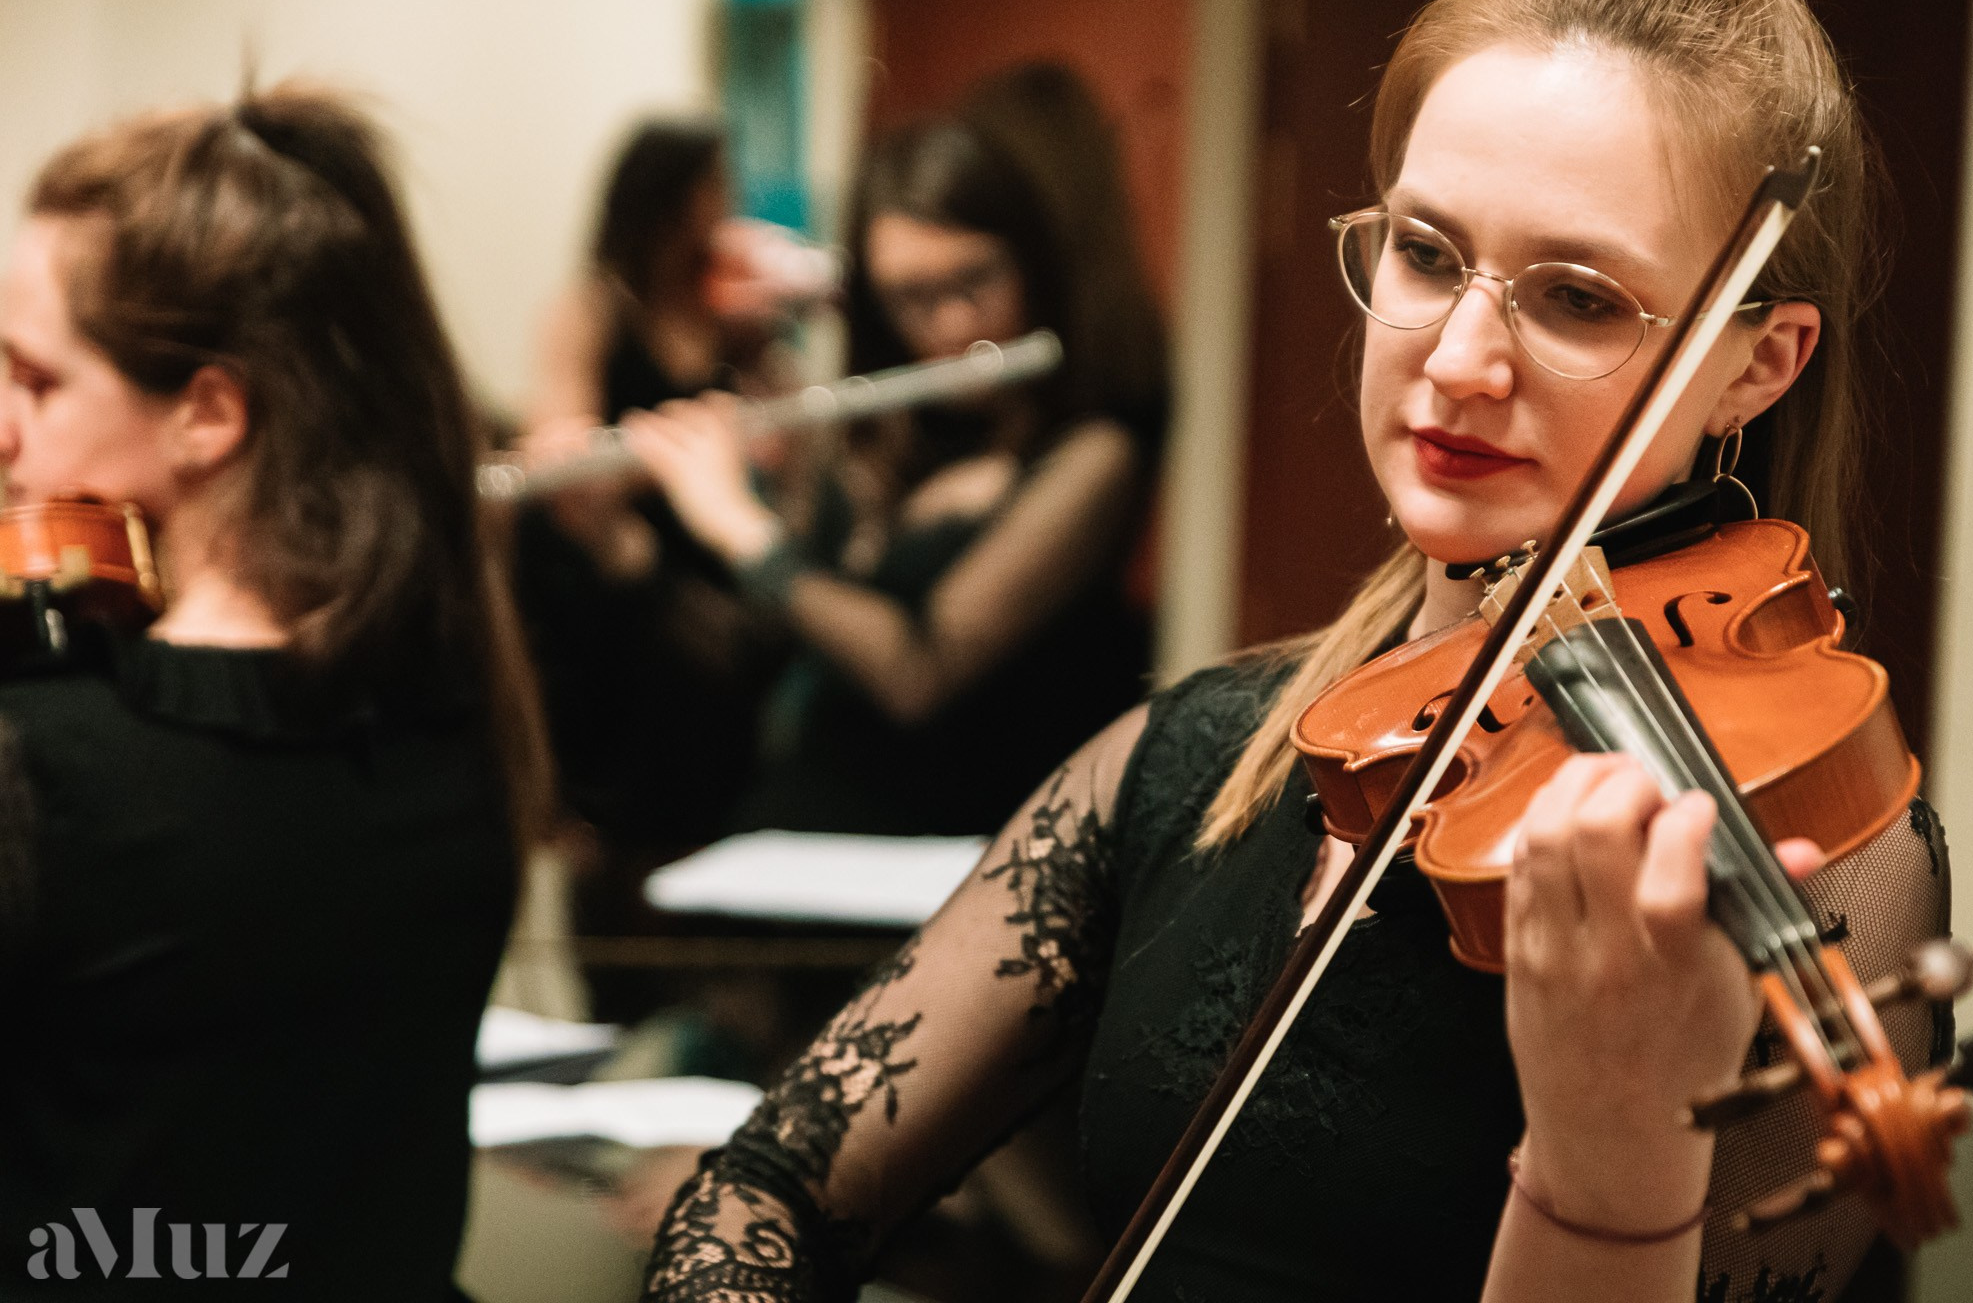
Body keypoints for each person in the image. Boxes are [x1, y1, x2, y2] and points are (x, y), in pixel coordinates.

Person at [639, 0, 1952, 1303]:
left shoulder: (1817, 863)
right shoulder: (1203, 752)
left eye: (1575, 299)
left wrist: (1608, 1153)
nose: (1456, 360)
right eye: (1428, 255)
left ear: (1761, 363)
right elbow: (759, 1194)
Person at [0, 89, 547, 1299]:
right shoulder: (457, 710)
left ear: (207, 413)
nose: (1, 430)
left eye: (34, 381)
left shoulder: (54, 760)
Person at [623, 109, 1168, 839]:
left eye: (973, 279)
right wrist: (618, 550)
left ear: (1030, 263)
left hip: (959, 858)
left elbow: (919, 673)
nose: (947, 324)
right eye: (911, 297)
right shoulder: (872, 438)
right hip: (798, 837)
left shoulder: (1089, 456)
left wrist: (743, 528)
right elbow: (762, 648)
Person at [513, 120, 801, 864]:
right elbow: (561, 454)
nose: (728, 206)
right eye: (716, 188)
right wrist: (686, 455)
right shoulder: (595, 309)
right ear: (670, 199)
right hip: (606, 587)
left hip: (701, 572)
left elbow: (788, 459)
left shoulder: (736, 323)